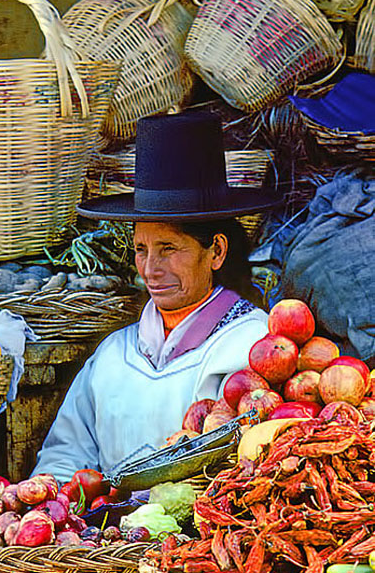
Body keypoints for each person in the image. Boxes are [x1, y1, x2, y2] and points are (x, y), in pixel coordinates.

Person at [33, 112, 283, 483]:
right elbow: (64, 457)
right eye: (141, 249)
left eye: (168, 248)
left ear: (215, 251)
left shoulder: (255, 347)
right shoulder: (112, 356)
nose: (150, 268)